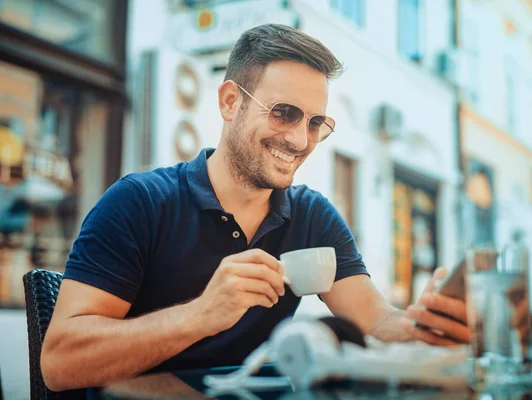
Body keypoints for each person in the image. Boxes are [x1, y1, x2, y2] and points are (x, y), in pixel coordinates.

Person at [41, 24, 469, 392]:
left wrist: (423, 327)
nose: (301, 141)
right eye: (284, 113)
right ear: (230, 102)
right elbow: (59, 364)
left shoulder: (312, 216)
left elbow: (375, 321)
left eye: (315, 123)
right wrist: (200, 315)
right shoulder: (140, 202)